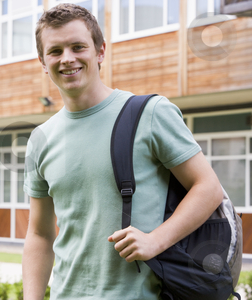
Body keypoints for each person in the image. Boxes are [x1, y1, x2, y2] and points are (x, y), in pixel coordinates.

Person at [22, 3, 224, 300]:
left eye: (78, 47)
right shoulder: (40, 139)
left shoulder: (150, 113)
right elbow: (39, 234)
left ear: (100, 51)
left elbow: (208, 188)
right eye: (55, 51)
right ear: (42, 61)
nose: (67, 59)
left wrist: (156, 240)